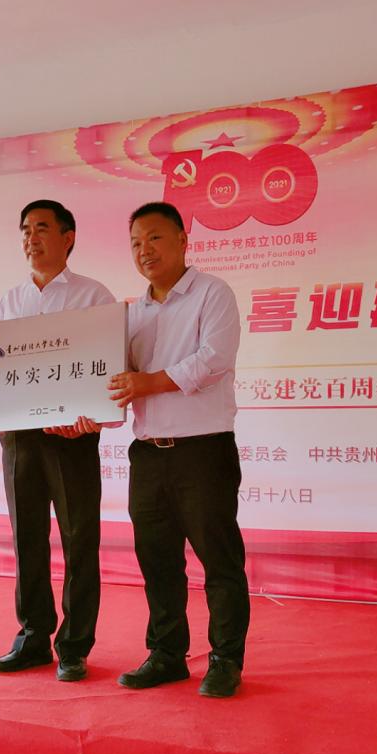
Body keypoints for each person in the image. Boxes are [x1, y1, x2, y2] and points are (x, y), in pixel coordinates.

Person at [0, 200, 115, 682]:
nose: (31, 238)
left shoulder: (93, 295)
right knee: (27, 537)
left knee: (78, 540)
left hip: (71, 437)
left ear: (68, 238)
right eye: (26, 230)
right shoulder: (11, 301)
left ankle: (74, 645)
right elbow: (1, 370)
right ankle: (32, 638)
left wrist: (93, 418)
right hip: (20, 440)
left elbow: (105, 367)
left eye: (42, 228)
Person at [108, 201, 250, 698]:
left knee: (219, 560)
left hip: (202, 451)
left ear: (183, 240)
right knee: (158, 562)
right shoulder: (130, 314)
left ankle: (225, 660)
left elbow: (213, 360)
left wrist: (148, 382)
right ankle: (167, 654)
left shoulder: (213, 293)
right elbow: (113, 378)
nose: (144, 250)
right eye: (135, 243)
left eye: (154, 238)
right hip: (148, 453)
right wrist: (76, 408)